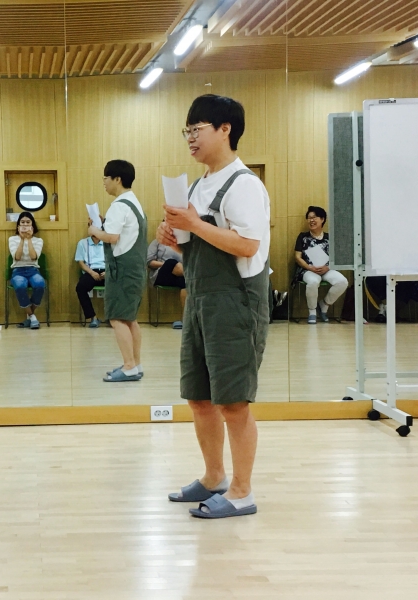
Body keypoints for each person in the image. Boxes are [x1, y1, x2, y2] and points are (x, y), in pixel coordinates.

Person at [159, 94, 270, 519]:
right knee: (199, 397)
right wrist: (175, 239)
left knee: (234, 402)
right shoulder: (197, 185)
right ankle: (213, 477)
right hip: (201, 299)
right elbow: (199, 247)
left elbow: (248, 245)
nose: (190, 137)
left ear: (226, 130)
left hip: (236, 302)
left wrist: (194, 224)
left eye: (197, 129)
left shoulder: (244, 184)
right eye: (186, 130)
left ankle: (242, 492)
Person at [88, 160, 147, 382]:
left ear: (117, 179)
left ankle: (129, 366)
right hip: (134, 268)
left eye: (105, 178)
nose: (103, 182)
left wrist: (94, 230)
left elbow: (112, 237)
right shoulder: (133, 202)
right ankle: (135, 364)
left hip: (122, 270)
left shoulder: (119, 205)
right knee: (130, 318)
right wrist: (104, 225)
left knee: (117, 318)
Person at [294, 206, 348, 324]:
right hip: (307, 269)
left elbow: (336, 258)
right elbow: (297, 257)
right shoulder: (303, 237)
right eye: (309, 218)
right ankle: (312, 312)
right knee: (313, 281)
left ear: (322, 219)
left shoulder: (330, 238)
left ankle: (324, 305)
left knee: (342, 282)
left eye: (314, 217)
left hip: (326, 269)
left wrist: (328, 267)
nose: (311, 220)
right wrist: (309, 267)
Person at [8, 212, 45, 329]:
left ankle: (30, 317)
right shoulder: (12, 239)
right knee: (19, 286)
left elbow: (34, 257)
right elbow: (17, 257)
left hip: (33, 270)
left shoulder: (38, 240)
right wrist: (21, 240)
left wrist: (28, 239)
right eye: (22, 222)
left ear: (32, 225)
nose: (25, 225)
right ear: (18, 226)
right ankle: (32, 317)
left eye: (28, 222)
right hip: (17, 270)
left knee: (40, 284)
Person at [147, 237, 186, 329]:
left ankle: (185, 320)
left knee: (186, 284)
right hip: (160, 274)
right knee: (171, 262)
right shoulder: (157, 242)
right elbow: (149, 262)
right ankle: (192, 276)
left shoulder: (183, 243)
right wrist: (165, 264)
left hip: (178, 274)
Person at [74, 230, 106, 327]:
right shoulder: (82, 243)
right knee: (80, 288)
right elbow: (80, 262)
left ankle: (114, 317)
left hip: (106, 271)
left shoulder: (108, 242)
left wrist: (108, 272)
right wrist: (92, 273)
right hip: (90, 271)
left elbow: (114, 261)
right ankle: (93, 318)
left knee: (119, 286)